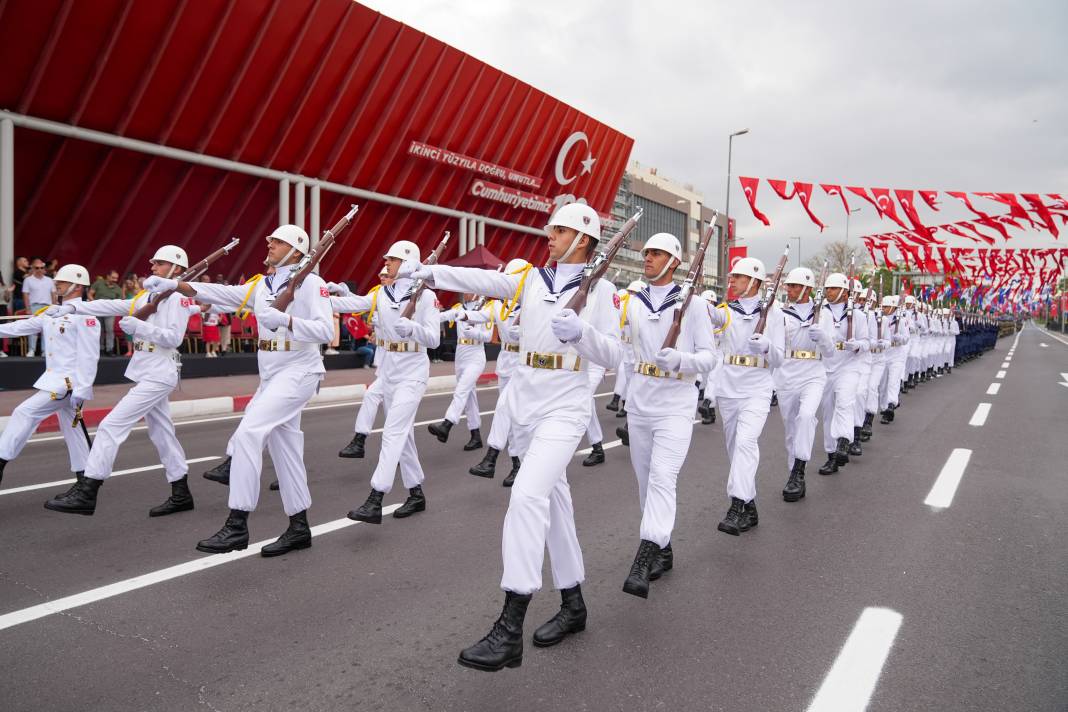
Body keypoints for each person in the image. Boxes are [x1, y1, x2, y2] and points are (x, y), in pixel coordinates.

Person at [406, 203, 618, 671]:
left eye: (559, 230)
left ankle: (510, 624)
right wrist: (430, 271)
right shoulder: (533, 278)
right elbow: (482, 282)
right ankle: (574, 604)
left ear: (582, 239)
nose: (549, 234)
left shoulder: (600, 290)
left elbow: (616, 354)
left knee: (525, 498)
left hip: (565, 407)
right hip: (528, 404)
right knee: (555, 505)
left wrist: (582, 333)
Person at [153, 225, 333, 556]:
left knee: (250, 433)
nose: (269, 243)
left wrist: (288, 321)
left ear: (296, 250)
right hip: (271, 374)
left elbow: (324, 330)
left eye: (277, 241)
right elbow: (217, 294)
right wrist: (174, 284)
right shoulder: (261, 285)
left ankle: (237, 524)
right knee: (286, 450)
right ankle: (299, 527)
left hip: (299, 369)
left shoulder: (310, 284)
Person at [561, 232, 716, 598]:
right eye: (646, 253)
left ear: (674, 262)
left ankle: (644, 558)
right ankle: (664, 549)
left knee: (663, 478)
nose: (647, 258)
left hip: (676, 405)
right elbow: (611, 341)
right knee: (647, 484)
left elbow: (710, 357)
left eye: (656, 254)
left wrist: (682, 359)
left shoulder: (692, 305)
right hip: (641, 404)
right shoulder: (630, 301)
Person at [42, 246, 199, 517]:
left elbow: (174, 338)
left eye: (159, 263)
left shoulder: (177, 298)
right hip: (146, 370)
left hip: (160, 371)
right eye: (153, 262)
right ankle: (181, 492)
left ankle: (88, 489)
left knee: (111, 425)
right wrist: (71, 307)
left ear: (176, 269)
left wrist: (139, 326)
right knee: (162, 433)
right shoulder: (147, 296)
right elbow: (108, 305)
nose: (152, 266)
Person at [328, 240, 441, 527]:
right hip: (389, 370)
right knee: (403, 437)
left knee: (392, 432)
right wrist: (321, 297)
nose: (387, 263)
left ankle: (376, 497)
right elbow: (354, 303)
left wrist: (412, 327)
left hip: (413, 370)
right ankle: (416, 493)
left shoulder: (426, 297)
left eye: (392, 260)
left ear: (407, 263)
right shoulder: (382, 292)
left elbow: (434, 339)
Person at [705, 257, 786, 536]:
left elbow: (780, 358)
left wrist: (766, 347)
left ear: (753, 281)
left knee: (745, 442)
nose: (732, 282)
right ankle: (750, 507)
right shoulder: (727, 310)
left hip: (757, 389)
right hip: (729, 389)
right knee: (734, 449)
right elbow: (709, 315)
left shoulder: (774, 314)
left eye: (737, 278)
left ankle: (737, 505)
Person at [0, 265, 99, 486]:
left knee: (24, 412)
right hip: (55, 380)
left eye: (62, 282)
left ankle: (1, 460)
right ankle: (87, 480)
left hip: (67, 384)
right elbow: (20, 327)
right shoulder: (53, 311)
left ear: (78, 285)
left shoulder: (85, 315)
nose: (57, 285)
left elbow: (90, 357)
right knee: (73, 429)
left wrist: (82, 390)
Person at [774, 267, 833, 503]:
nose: (789, 289)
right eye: (788, 286)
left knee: (807, 417)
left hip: (813, 373)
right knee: (791, 428)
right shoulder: (781, 313)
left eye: (794, 286)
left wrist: (824, 337)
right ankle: (794, 474)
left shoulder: (824, 315)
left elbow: (830, 352)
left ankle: (799, 470)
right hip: (787, 373)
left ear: (807, 289)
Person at [468, 259, 529, 485]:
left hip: (524, 364)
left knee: (506, 408)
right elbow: (482, 315)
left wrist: (521, 331)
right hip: (505, 362)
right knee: (512, 420)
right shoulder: (501, 305)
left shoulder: (532, 304)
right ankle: (516, 464)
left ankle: (492, 455)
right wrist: (463, 316)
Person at [815, 273, 870, 475]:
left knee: (845, 402)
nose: (829, 292)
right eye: (827, 288)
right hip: (825, 365)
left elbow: (867, 342)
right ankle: (831, 454)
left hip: (849, 364)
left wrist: (857, 345)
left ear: (845, 292)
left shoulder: (859, 315)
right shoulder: (820, 312)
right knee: (828, 411)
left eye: (833, 289)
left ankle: (844, 441)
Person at [427, 294, 492, 450]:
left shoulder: (485, 309)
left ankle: (447, 424)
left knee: (461, 390)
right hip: (461, 355)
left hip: (475, 354)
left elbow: (488, 337)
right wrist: (423, 315)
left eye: (468, 290)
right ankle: (475, 436)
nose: (464, 294)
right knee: (469, 397)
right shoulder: (458, 309)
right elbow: (440, 317)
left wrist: (474, 333)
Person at [879, 295, 909, 424]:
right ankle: (884, 406)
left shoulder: (900, 321)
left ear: (892, 307)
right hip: (884, 353)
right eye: (883, 306)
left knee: (893, 380)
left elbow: (906, 338)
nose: (883, 309)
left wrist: (900, 338)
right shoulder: (880, 319)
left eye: (886, 307)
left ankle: (890, 405)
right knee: (882, 383)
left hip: (897, 353)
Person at [22, 258, 56, 356]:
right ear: (32, 268)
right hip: (34, 306)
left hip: (47, 306)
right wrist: (27, 308)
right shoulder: (28, 280)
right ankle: (32, 349)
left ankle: (44, 350)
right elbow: (25, 295)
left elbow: (53, 294)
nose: (40, 269)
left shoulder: (49, 280)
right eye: (37, 268)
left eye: (42, 267)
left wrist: (54, 306)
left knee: (47, 329)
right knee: (32, 328)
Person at [697, 289, 721, 424]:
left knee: (712, 380)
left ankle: (706, 403)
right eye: (707, 302)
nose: (709, 305)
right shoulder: (698, 320)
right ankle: (710, 414)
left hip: (718, 355)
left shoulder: (720, 318)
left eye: (711, 302)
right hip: (705, 354)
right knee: (706, 381)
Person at [89, 270, 123, 355]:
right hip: (98, 310)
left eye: (116, 278)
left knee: (109, 330)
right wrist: (95, 303)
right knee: (99, 330)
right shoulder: (99, 283)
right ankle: (100, 349)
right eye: (113, 277)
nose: (115, 280)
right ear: (107, 276)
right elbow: (90, 294)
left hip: (110, 311)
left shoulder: (118, 288)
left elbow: (120, 301)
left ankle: (109, 349)